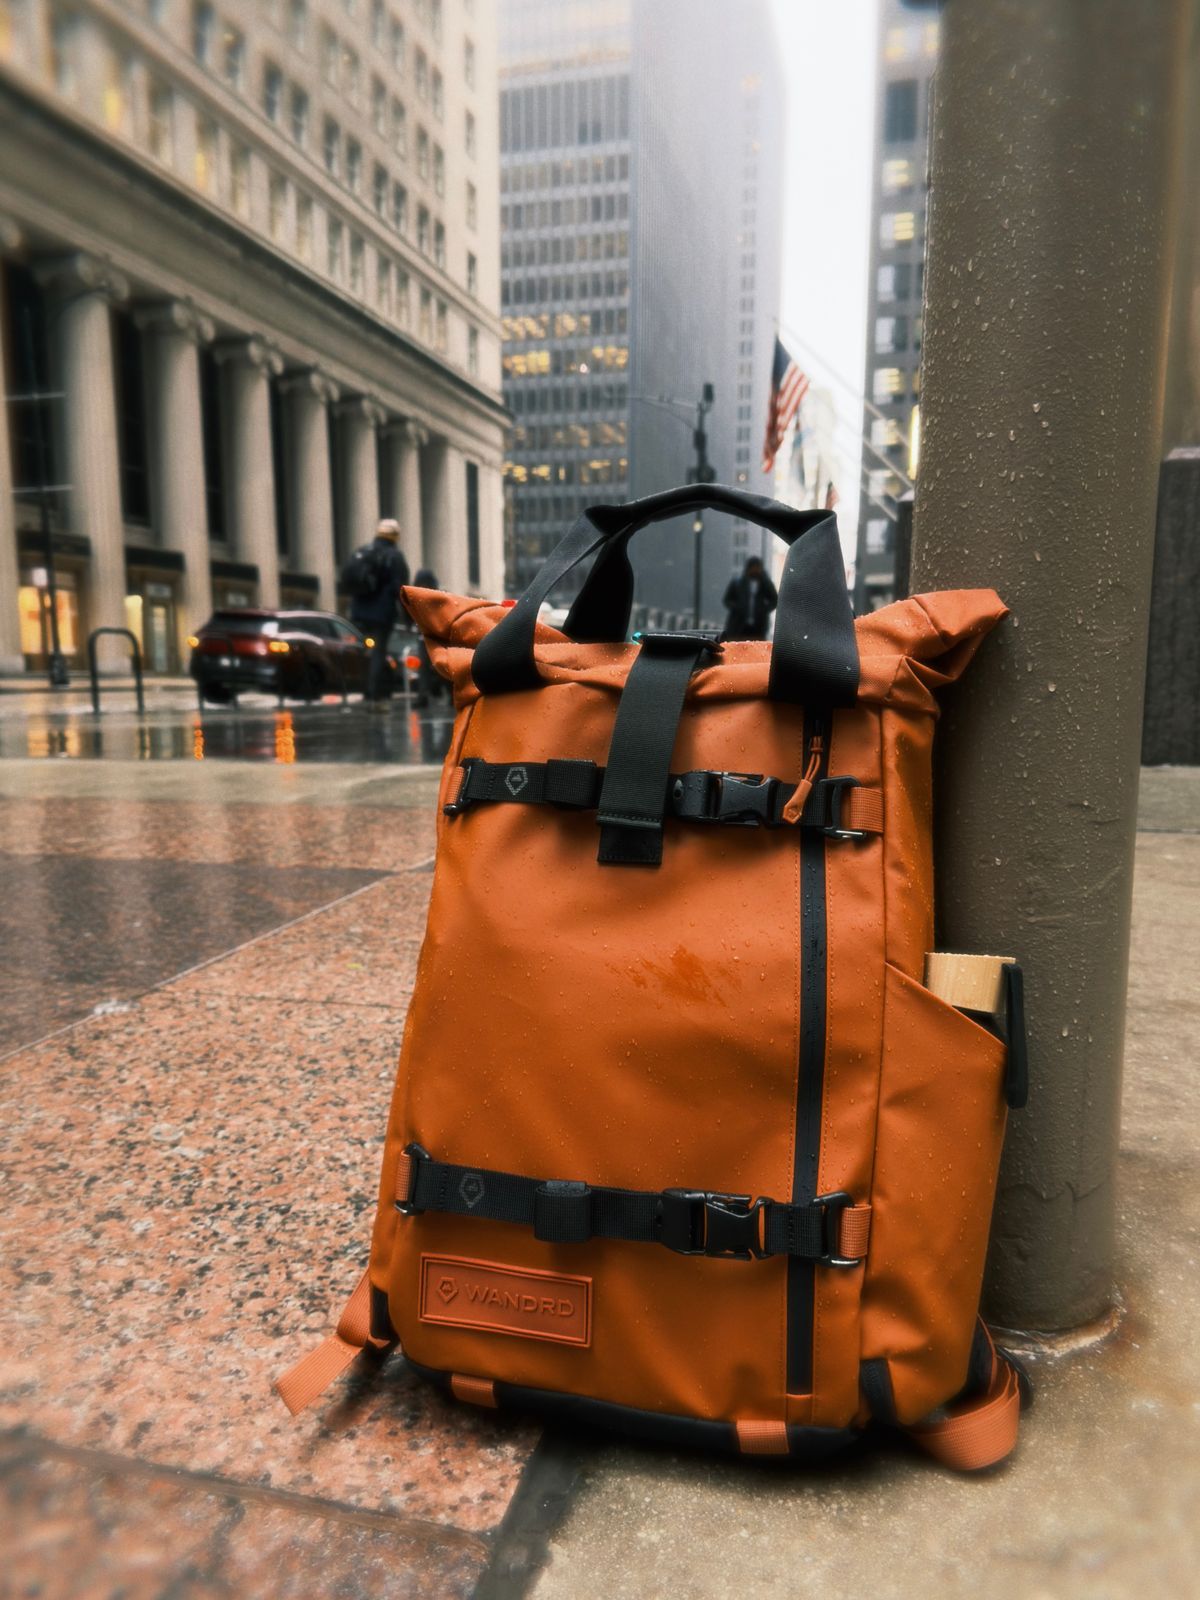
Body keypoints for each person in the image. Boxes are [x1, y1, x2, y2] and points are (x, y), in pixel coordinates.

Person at [350, 518, 410, 710]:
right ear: (395, 536)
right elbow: (401, 590)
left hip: (359, 611)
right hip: (381, 613)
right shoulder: (394, 557)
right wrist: (408, 617)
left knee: (365, 651)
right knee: (379, 652)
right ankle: (375, 697)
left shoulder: (364, 551)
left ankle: (365, 690)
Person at [722, 556, 778, 642]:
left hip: (758, 626)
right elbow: (727, 600)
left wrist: (763, 610)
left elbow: (774, 599)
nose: (755, 570)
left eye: (758, 567)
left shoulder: (765, 583)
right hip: (738, 625)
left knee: (756, 647)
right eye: (753, 567)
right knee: (738, 647)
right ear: (748, 568)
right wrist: (738, 608)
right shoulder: (737, 583)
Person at [410, 567, 444, 708]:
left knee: (434, 665)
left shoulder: (419, 597)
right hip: (429, 635)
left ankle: (424, 696)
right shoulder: (418, 597)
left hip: (432, 635)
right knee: (430, 665)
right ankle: (425, 696)